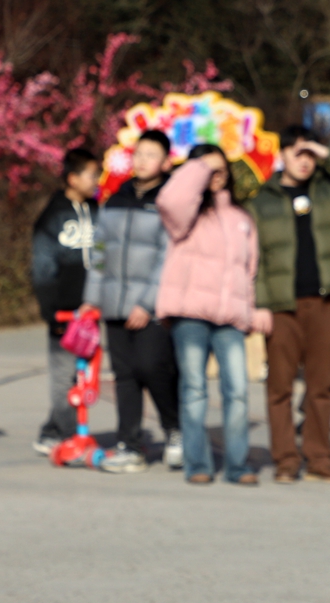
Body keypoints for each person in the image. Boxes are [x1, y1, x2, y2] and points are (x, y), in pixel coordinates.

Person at [250, 125, 330, 485]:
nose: (304, 161)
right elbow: (254, 259)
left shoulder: (328, 193)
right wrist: (260, 304)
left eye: (309, 154)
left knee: (321, 385)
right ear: (282, 156)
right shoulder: (262, 202)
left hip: (325, 301)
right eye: (297, 153)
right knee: (280, 387)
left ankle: (320, 459)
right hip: (282, 305)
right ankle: (286, 460)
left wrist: (327, 153)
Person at [157, 145, 270, 486]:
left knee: (237, 391)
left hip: (231, 318)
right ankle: (197, 464)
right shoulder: (185, 215)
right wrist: (200, 168)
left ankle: (237, 465)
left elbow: (250, 270)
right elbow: (170, 199)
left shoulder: (242, 219)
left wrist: (253, 310)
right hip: (190, 313)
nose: (216, 175)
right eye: (208, 169)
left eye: (220, 169)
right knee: (194, 390)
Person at [86, 129, 183, 469]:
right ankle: (130, 445)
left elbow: (168, 257)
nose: (142, 161)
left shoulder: (170, 202)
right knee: (124, 376)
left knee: (153, 367)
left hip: (151, 307)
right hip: (114, 302)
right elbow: (99, 251)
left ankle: (175, 429)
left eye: (151, 155)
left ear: (166, 162)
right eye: (138, 154)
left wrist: (147, 304)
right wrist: (92, 298)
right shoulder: (115, 199)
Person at [32, 149, 117, 462]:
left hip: (92, 309)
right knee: (64, 375)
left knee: (85, 376)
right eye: (92, 175)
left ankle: (53, 430)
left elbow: (106, 254)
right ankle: (68, 434)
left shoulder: (98, 212)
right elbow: (42, 265)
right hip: (64, 310)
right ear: (72, 178)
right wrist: (50, 309)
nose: (97, 181)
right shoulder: (52, 216)